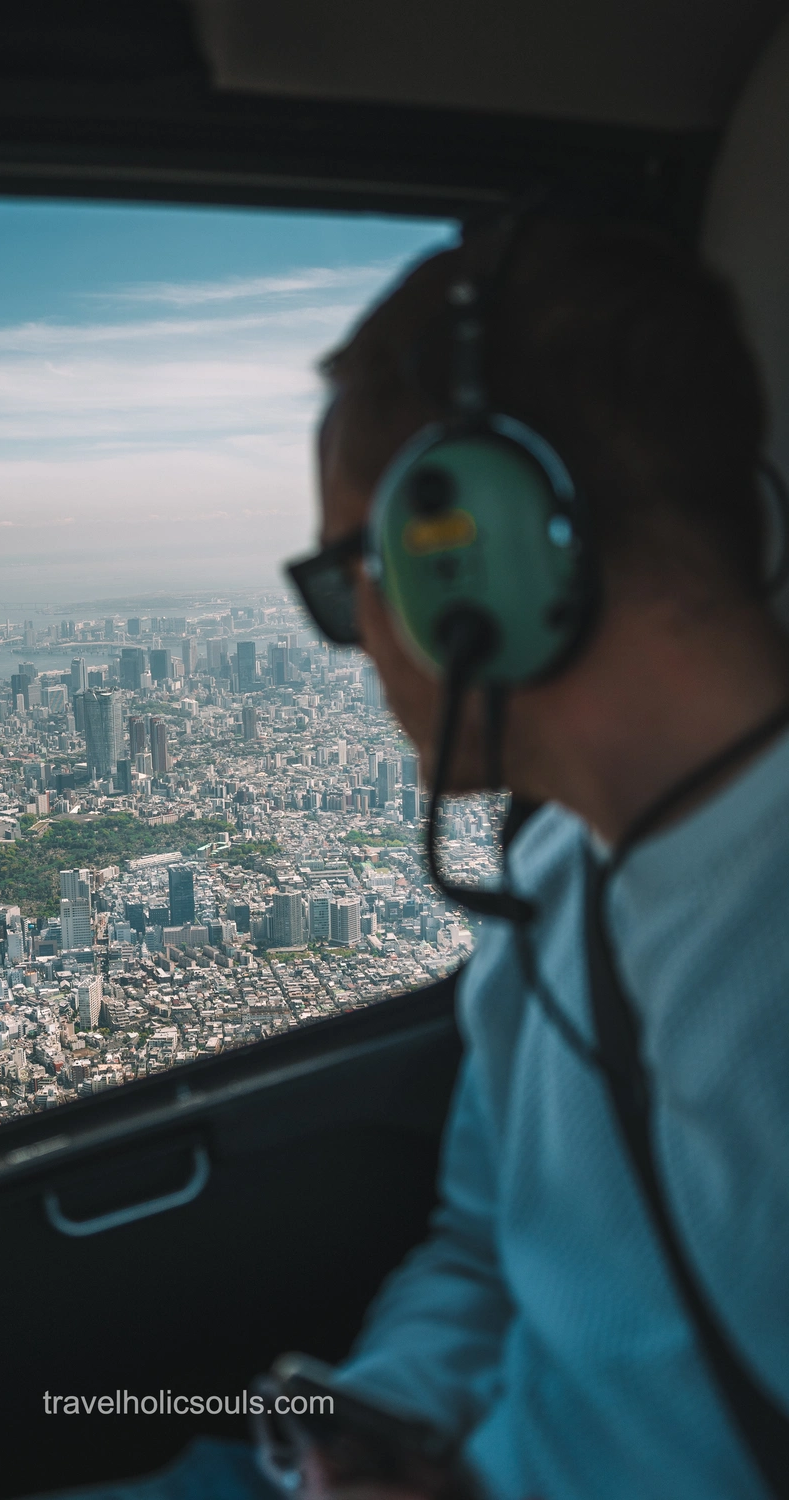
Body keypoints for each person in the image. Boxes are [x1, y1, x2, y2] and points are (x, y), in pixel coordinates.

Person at [47, 218, 789, 1500]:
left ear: (478, 557)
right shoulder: (545, 880)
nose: (353, 644)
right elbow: (485, 1245)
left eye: (348, 579)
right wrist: (373, 1432)